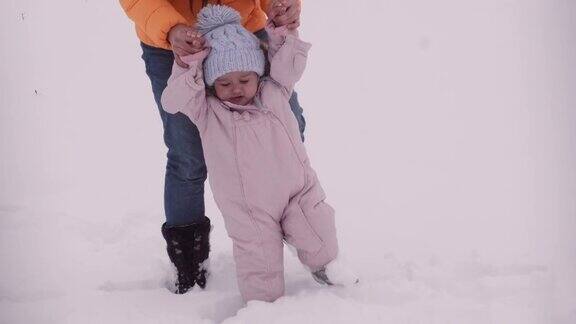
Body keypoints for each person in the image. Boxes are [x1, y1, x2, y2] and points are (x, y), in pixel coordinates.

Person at [161, 4, 357, 303]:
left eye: (244, 80)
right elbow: (174, 100)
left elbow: (288, 60)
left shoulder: (275, 89)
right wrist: (190, 65)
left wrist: (283, 30)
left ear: (258, 73)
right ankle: (263, 310)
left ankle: (329, 269)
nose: (236, 89)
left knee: (320, 234)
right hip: (248, 209)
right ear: (212, 84)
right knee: (259, 264)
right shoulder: (207, 110)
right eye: (224, 83)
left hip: (296, 190)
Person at [119, 0, 305, 294]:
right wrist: (170, 27)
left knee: (285, 126)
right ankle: (190, 264)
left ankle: (298, 223)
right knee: (188, 156)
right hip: (172, 44)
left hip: (241, 32)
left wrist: (279, 4)